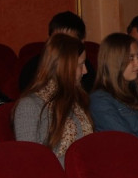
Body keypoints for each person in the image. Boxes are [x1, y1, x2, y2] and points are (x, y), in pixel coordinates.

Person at [13, 33, 93, 166]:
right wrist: (82, 162)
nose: (85, 71)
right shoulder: (29, 105)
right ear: (64, 67)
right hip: (56, 176)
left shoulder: (76, 99)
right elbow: (31, 161)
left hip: (82, 172)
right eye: (80, 64)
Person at [89, 33, 138, 149]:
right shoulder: (100, 101)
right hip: (137, 155)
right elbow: (128, 143)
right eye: (131, 58)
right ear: (115, 62)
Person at [19, 11, 95, 92]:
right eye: (57, 40)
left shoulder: (86, 71)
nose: (61, 48)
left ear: (81, 42)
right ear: (49, 40)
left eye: (68, 42)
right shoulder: (32, 68)